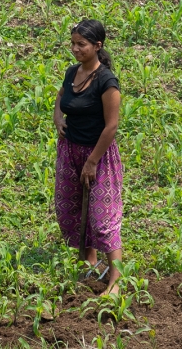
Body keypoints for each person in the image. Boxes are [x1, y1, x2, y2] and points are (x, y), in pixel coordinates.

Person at [53, 19, 124, 295]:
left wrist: (92, 161)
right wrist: (58, 116)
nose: (75, 49)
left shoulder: (106, 81)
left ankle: (116, 281)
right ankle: (89, 264)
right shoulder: (72, 73)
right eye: (72, 43)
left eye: (81, 44)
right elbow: (62, 97)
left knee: (102, 217)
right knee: (70, 208)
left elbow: (111, 126)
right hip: (70, 151)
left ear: (98, 46)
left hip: (99, 154)